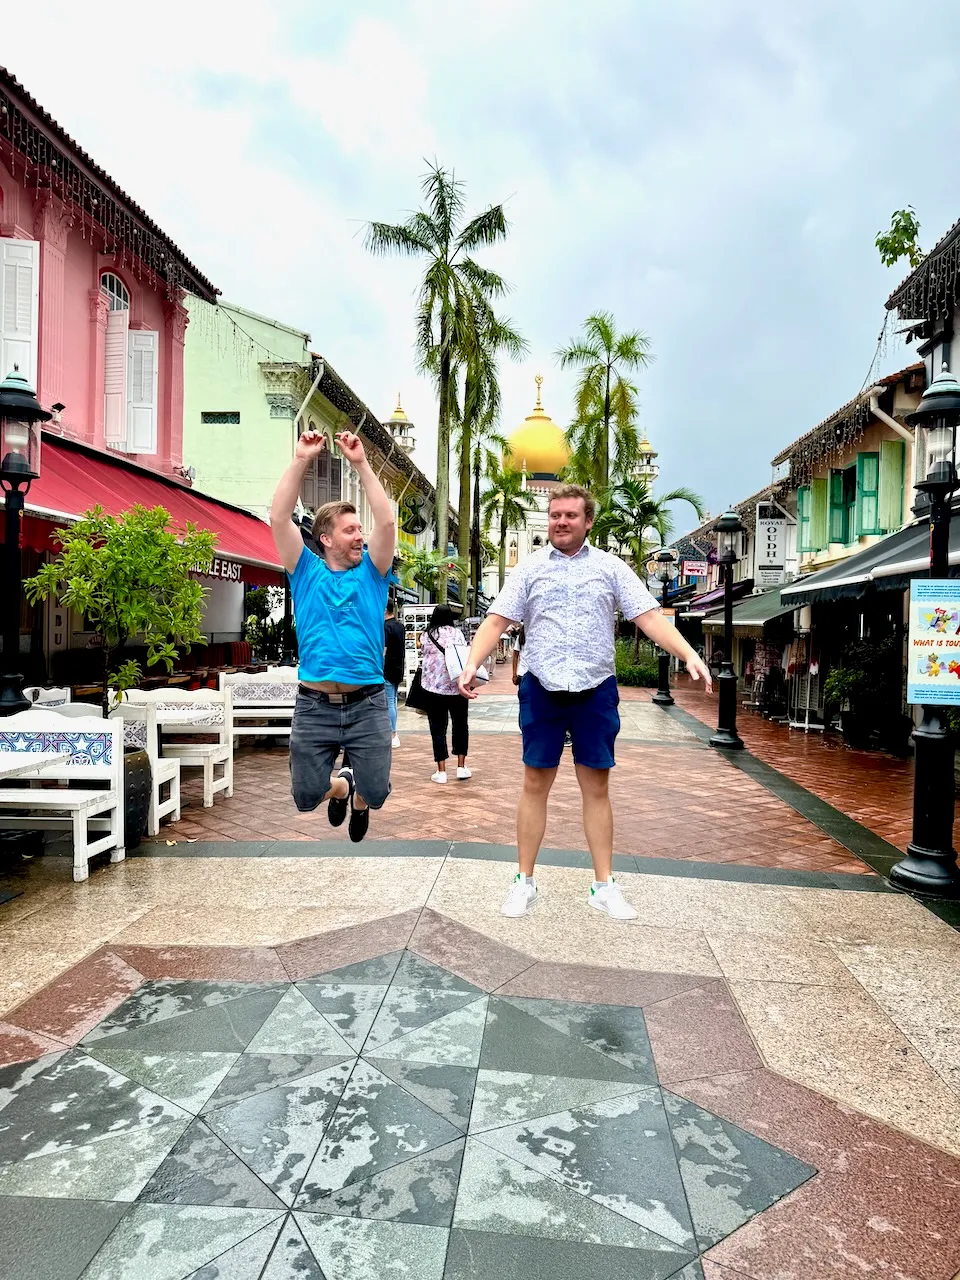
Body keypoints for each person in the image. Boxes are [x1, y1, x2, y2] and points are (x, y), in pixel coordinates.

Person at [458, 483, 712, 920]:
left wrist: (688, 653)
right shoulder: (530, 569)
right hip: (543, 686)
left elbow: (648, 615)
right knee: (534, 783)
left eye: (570, 516)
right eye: (555, 515)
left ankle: (603, 885)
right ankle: (524, 881)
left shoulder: (611, 569)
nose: (560, 522)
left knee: (596, 786)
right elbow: (497, 618)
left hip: (595, 688)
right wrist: (470, 663)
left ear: (587, 521)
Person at [270, 429, 396, 843]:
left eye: (361, 529)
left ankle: (359, 798)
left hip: (368, 704)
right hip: (315, 706)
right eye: (350, 530)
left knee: (377, 793)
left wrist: (360, 464)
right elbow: (278, 517)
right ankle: (343, 786)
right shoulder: (304, 570)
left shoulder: (373, 573)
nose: (361, 535)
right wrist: (302, 457)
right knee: (306, 795)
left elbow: (388, 520)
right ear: (325, 539)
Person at [420, 605, 471, 784]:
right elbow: (464, 653)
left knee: (437, 728)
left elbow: (424, 654)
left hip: (433, 688)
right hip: (458, 686)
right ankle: (461, 766)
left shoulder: (426, 635)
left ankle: (441, 771)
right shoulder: (457, 634)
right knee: (460, 725)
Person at [383, 598, 405, 749]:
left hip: (387, 669)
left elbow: (383, 651)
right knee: (393, 700)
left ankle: (393, 734)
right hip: (398, 668)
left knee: (390, 701)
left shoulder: (385, 627)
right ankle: (392, 733)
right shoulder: (400, 626)